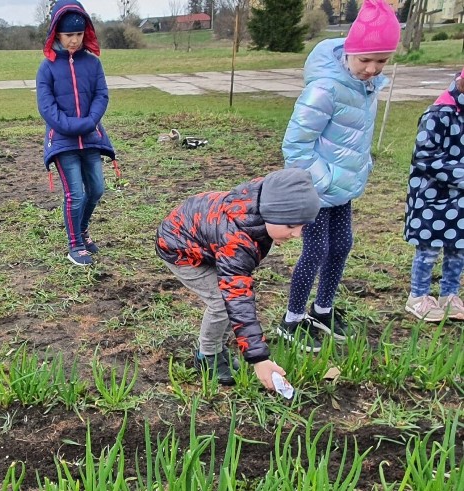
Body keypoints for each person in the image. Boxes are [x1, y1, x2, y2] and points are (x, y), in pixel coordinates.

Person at [279, 0, 400, 351]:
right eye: (365, 60)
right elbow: (296, 146)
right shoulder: (325, 89)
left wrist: (361, 168)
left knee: (342, 245)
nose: (373, 69)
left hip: (343, 187)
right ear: (349, 51)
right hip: (319, 189)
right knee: (315, 250)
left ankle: (323, 309)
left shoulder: (366, 88)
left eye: (382, 61)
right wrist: (324, 181)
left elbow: (355, 136)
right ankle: (292, 318)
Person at [156, 168, 321, 388]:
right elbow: (236, 296)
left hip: (207, 240)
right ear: (271, 212)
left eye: (302, 226)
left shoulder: (265, 199)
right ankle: (206, 356)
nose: (297, 234)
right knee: (221, 302)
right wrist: (258, 358)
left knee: (229, 298)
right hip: (179, 249)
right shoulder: (238, 238)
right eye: (291, 225)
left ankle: (218, 347)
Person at [36, 0, 115, 266]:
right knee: (75, 194)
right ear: (56, 33)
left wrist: (91, 120)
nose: (74, 40)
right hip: (62, 142)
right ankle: (75, 245)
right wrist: (72, 126)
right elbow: (47, 106)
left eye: (79, 34)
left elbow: (101, 95)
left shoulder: (93, 64)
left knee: (96, 189)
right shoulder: (46, 67)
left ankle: (82, 229)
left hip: (91, 138)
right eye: (69, 35)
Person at [403, 70, 464, 323]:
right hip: (432, 197)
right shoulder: (438, 114)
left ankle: (450, 295)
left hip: (460, 200)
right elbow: (424, 156)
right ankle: (418, 297)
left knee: (459, 248)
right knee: (428, 250)